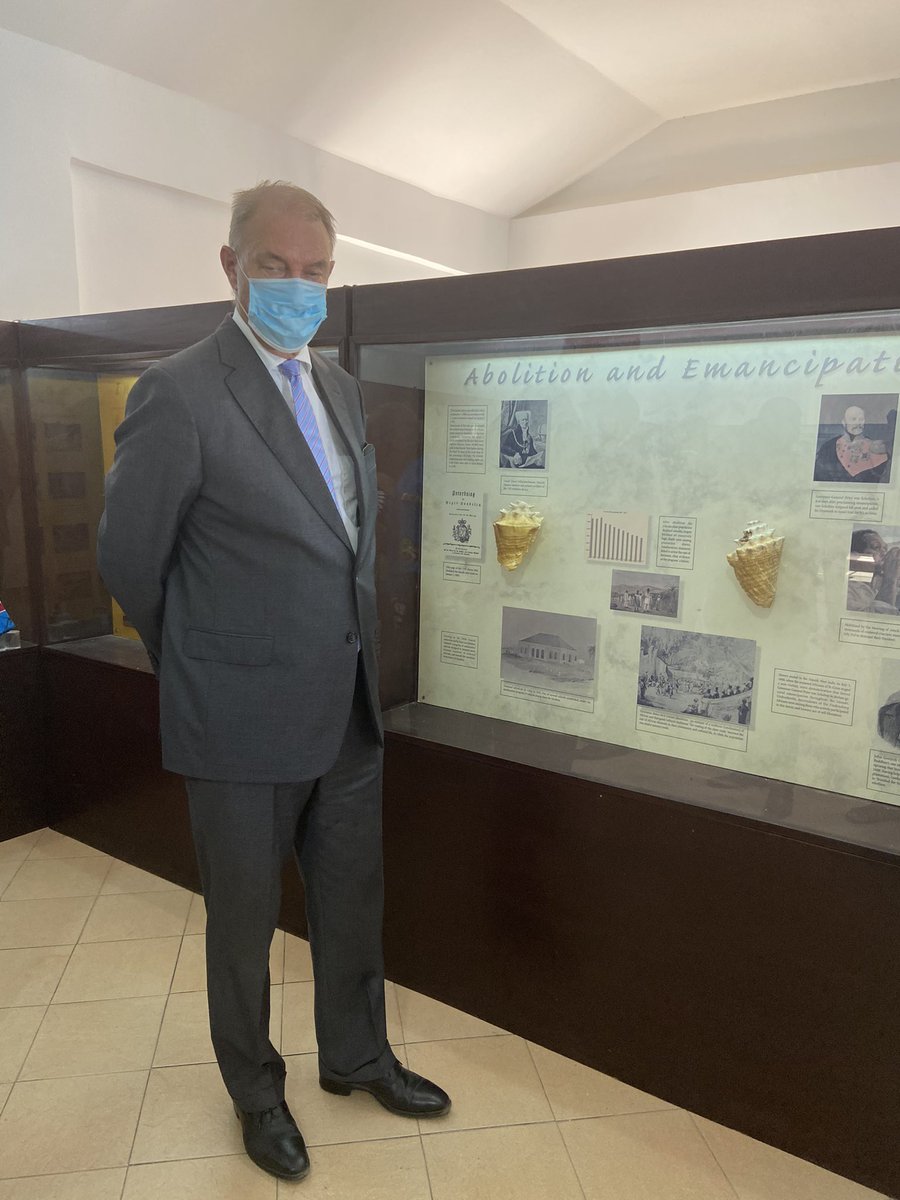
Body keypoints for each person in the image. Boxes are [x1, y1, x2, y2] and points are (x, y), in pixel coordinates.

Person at [97, 181, 449, 1183]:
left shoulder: (338, 387)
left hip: (345, 706)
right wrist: (201, 662)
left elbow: (344, 540)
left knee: (351, 901)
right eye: (275, 267)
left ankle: (358, 1058)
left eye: (315, 271)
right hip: (237, 718)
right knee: (244, 925)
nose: (298, 287)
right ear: (231, 267)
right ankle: (256, 1093)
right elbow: (130, 559)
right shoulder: (179, 391)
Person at [813, 404, 891, 483]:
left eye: (861, 419)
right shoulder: (828, 447)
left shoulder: (876, 448)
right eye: (853, 419)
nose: (858, 423)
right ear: (844, 422)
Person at [846, 528, 900, 614]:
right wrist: (889, 580)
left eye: (885, 549)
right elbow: (875, 617)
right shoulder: (848, 589)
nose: (884, 552)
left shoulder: (879, 583)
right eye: (876, 547)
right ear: (856, 556)